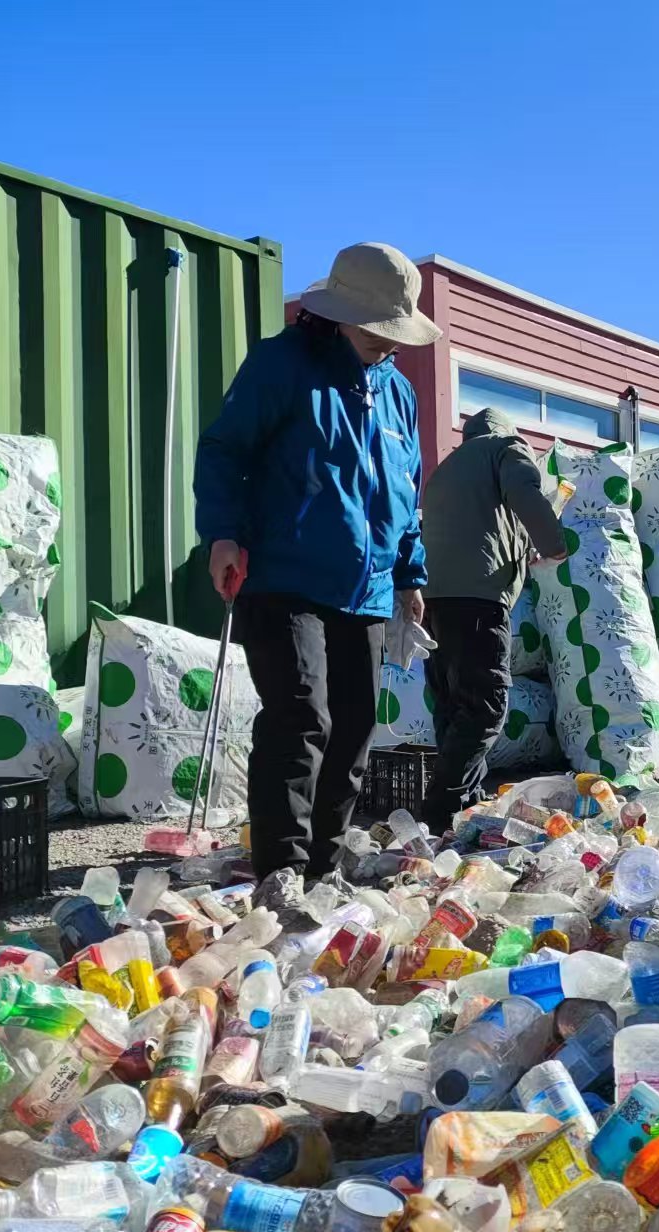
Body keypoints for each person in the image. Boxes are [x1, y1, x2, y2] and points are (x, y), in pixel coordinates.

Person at [193, 241, 440, 880]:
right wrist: (222, 534)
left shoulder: (398, 394)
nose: (386, 340)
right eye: (374, 326)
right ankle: (282, 876)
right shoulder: (282, 364)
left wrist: (409, 574)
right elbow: (224, 450)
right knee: (302, 718)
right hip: (283, 576)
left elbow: (403, 491)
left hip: (366, 589)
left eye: (393, 328)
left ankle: (324, 873)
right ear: (336, 314)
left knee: (354, 730)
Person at [419, 406, 568, 831]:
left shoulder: (447, 469)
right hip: (478, 597)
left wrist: (522, 547)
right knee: (486, 705)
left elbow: (479, 525)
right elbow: (524, 492)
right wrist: (554, 544)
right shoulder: (505, 448)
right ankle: (442, 807)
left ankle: (466, 803)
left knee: (453, 705)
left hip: (434, 600)